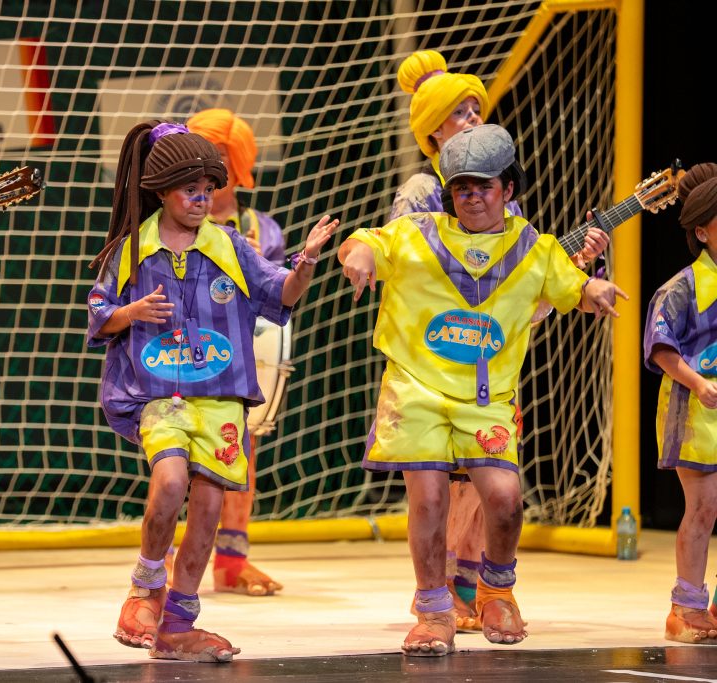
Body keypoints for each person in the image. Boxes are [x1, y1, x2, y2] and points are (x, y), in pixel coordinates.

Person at [338, 124, 627, 656]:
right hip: (416, 389)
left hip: (485, 398)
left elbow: (572, 288)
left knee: (505, 498)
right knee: (429, 500)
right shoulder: (417, 231)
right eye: (462, 188)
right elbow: (367, 240)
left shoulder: (534, 248)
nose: (472, 197)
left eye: (484, 187)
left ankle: (497, 590)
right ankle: (433, 611)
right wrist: (355, 254)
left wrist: (594, 289)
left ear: (508, 189)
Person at [87, 120, 337, 661]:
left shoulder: (229, 244)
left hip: (221, 398)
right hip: (160, 396)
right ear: (161, 191)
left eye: (208, 189)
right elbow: (99, 310)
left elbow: (281, 294)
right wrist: (131, 312)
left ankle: (178, 622)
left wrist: (308, 261)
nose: (202, 200)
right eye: (190, 190)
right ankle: (144, 589)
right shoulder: (131, 248)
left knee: (207, 507)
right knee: (170, 481)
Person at [390, 50, 610, 628]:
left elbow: (520, 296)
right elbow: (414, 270)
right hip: (437, 359)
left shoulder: (503, 201)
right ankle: (437, 590)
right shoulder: (422, 190)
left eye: (475, 109)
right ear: (432, 131)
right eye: (459, 112)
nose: (472, 118)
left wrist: (574, 276)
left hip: (489, 362)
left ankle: (475, 587)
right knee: (442, 486)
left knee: (483, 486)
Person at [182, 107, 284, 597]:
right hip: (183, 354)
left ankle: (231, 560)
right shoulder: (174, 221)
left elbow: (277, 296)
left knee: (241, 450)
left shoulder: (262, 230)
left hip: (239, 354)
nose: (210, 165)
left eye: (220, 155)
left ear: (238, 161)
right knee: (176, 454)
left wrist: (258, 265)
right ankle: (167, 558)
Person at [643, 161, 717, 645]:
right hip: (694, 410)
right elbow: (660, 348)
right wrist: (698, 383)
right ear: (702, 232)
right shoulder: (681, 288)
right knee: (703, 508)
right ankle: (685, 608)